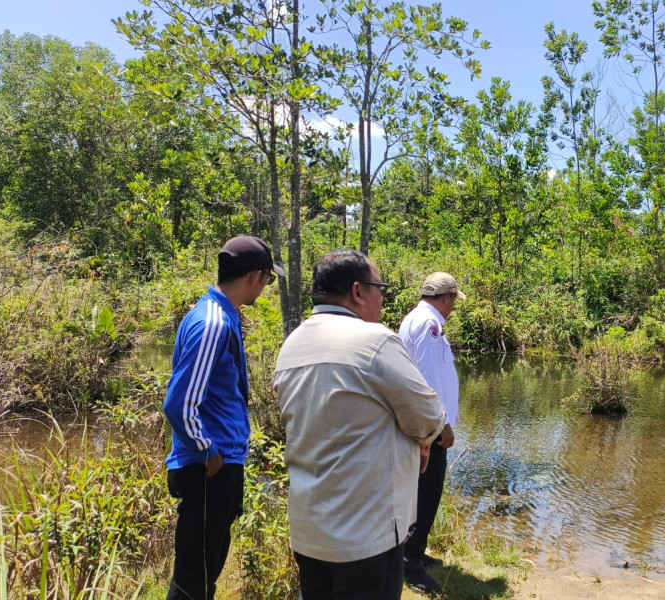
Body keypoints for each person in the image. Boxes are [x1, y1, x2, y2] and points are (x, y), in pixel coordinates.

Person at [274, 249, 446, 600]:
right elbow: (428, 415)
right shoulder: (374, 341)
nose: (382, 296)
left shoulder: (291, 345)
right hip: (365, 535)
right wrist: (424, 441)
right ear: (357, 291)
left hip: (309, 531)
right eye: (378, 286)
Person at [163, 235, 284, 600]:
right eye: (268, 278)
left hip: (219, 463)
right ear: (253, 276)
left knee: (204, 573)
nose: (266, 286)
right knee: (193, 580)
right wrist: (208, 452)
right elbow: (179, 403)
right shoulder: (213, 323)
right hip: (208, 469)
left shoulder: (215, 313)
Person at [398, 272, 466, 593]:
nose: (453, 306)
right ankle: (410, 565)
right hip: (430, 428)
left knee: (418, 493)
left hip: (424, 424)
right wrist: (441, 425)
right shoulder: (429, 325)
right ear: (448, 296)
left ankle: (414, 552)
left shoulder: (420, 319)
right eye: (454, 300)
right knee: (426, 495)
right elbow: (427, 380)